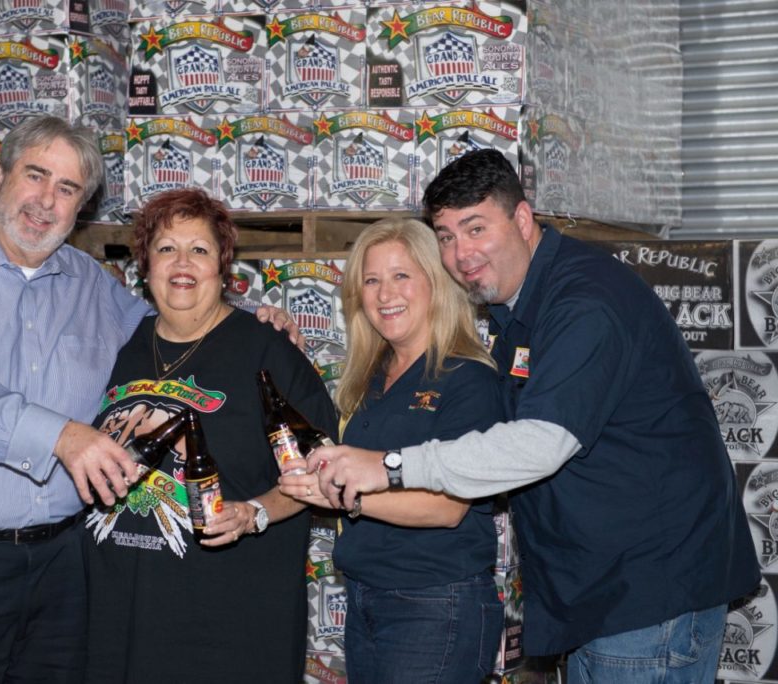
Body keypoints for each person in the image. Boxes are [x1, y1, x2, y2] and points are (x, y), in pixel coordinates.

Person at [296, 149, 760, 683]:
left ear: (521, 218)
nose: (461, 253)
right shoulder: (518, 310)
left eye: (475, 228)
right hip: (599, 590)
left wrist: (390, 466)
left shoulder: (584, 301)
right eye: (446, 236)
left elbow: (541, 442)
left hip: (649, 589)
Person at [0, 115, 298, 683]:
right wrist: (62, 438)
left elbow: (172, 318)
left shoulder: (89, 284)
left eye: (67, 189)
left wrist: (253, 321)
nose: (46, 200)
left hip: (62, 573)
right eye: (35, 175)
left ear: (82, 206)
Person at [83, 187, 337, 683]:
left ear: (223, 267)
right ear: (144, 266)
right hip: (122, 619)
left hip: (228, 623)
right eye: (166, 249)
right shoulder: (119, 346)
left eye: (199, 250)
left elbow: (323, 470)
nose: (182, 263)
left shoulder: (267, 351)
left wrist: (254, 513)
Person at [280, 217, 505, 683]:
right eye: (372, 280)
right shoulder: (368, 380)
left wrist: (348, 498)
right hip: (367, 597)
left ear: (436, 282)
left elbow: (446, 507)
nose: (386, 294)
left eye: (402, 275)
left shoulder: (469, 380)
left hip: (435, 601)